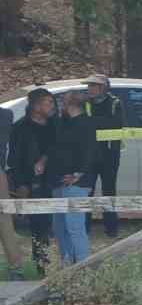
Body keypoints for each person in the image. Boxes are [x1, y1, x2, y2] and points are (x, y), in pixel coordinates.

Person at [9, 88, 58, 273]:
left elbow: (59, 148)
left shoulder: (55, 125)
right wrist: (21, 184)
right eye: (49, 102)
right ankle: (41, 262)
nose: (53, 106)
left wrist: (45, 158)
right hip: (33, 183)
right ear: (36, 106)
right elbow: (13, 159)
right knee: (39, 225)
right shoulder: (20, 128)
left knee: (58, 223)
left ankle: (65, 260)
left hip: (56, 179)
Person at [45, 91, 97, 266]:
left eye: (62, 101)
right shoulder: (62, 123)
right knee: (59, 228)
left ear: (70, 104)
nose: (59, 105)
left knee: (75, 227)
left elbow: (90, 152)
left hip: (77, 183)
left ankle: (82, 267)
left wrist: (78, 174)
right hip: (58, 180)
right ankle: (66, 265)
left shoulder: (87, 124)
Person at [83, 74, 125, 237]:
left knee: (109, 191)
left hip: (109, 155)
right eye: (89, 86)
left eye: (93, 86)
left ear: (103, 88)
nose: (90, 89)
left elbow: (116, 124)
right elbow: (83, 123)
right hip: (89, 154)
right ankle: (85, 228)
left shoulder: (115, 102)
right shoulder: (85, 103)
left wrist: (94, 122)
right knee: (86, 191)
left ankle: (111, 229)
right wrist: (99, 122)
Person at [0, 106, 24, 279]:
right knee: (5, 223)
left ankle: (16, 268)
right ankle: (16, 269)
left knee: (5, 221)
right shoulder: (6, 114)